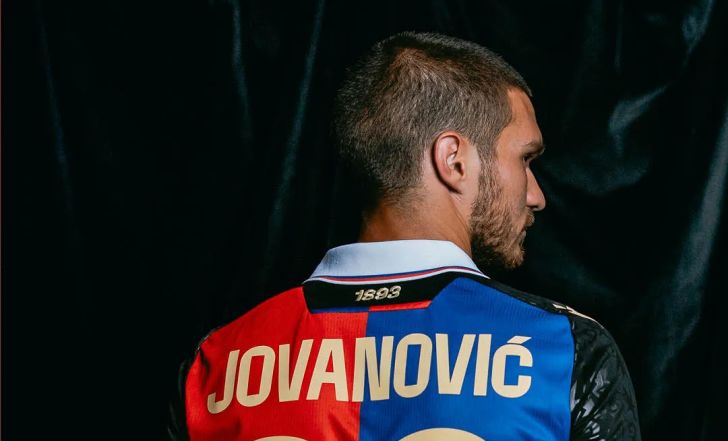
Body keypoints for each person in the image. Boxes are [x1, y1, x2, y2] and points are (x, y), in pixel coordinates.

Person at [170, 32, 641, 441]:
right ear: (454, 160)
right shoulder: (560, 348)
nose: (536, 196)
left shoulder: (214, 363)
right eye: (525, 159)